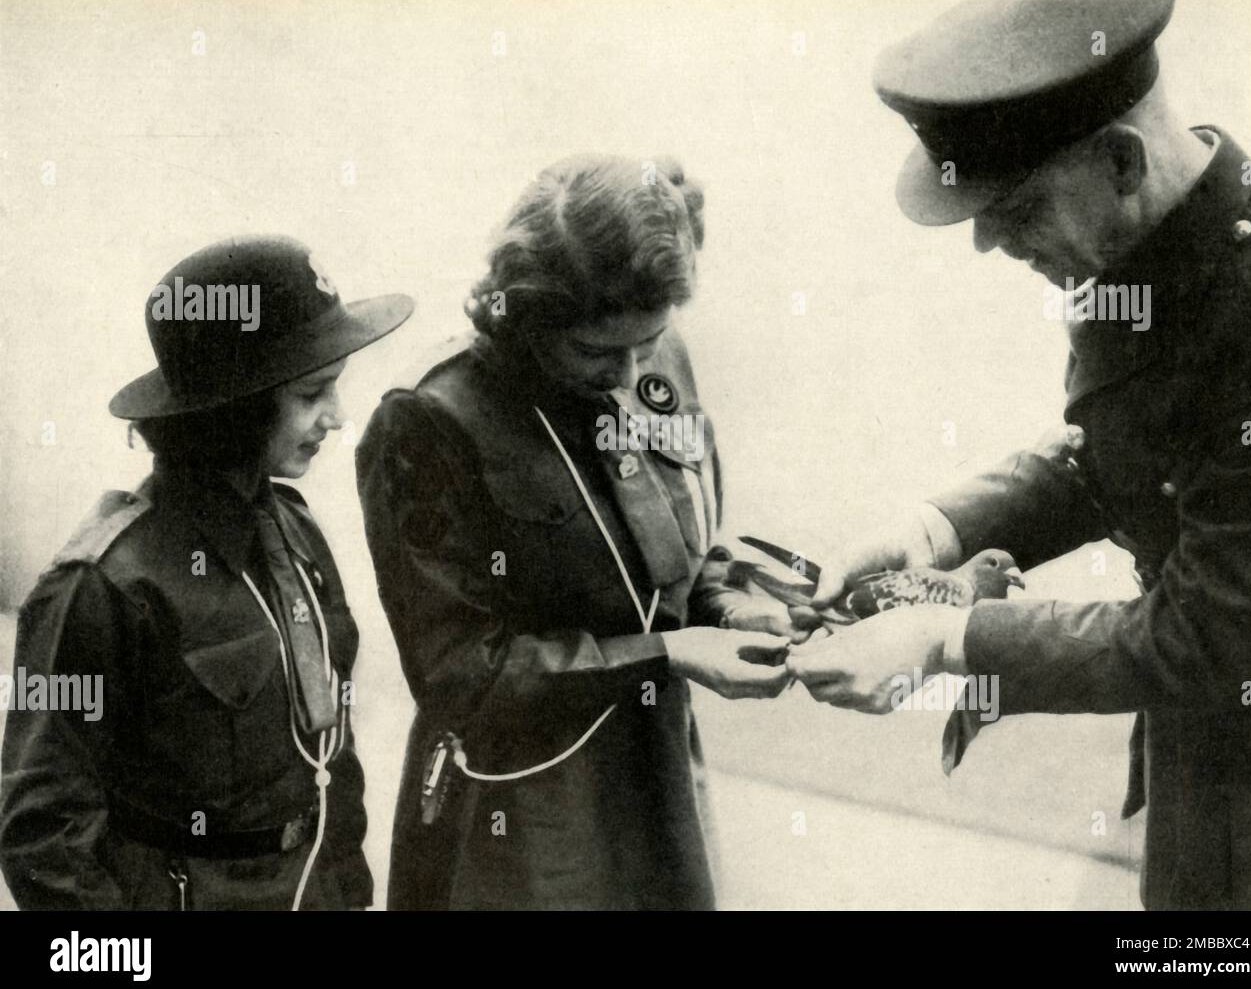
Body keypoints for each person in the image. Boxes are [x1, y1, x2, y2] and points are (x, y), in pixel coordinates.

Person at [787, 0, 1251, 910]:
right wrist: (936, 529)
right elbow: (1125, 451)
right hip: (1213, 770)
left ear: (1120, 160)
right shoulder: (1145, 242)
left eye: (1015, 210)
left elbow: (1207, 630)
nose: (990, 245)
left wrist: (948, 640)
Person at [357, 154, 808, 910]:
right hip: (519, 811)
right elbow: (461, 672)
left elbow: (673, 556)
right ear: (527, 314)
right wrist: (668, 652)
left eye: (649, 342)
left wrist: (727, 605)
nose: (631, 374)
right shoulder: (432, 420)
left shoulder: (653, 350)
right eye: (598, 352)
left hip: (656, 779)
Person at [0, 234, 413, 910]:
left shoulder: (296, 531)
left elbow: (328, 754)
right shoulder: (102, 587)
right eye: (314, 394)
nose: (337, 419)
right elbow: (45, 836)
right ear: (237, 408)